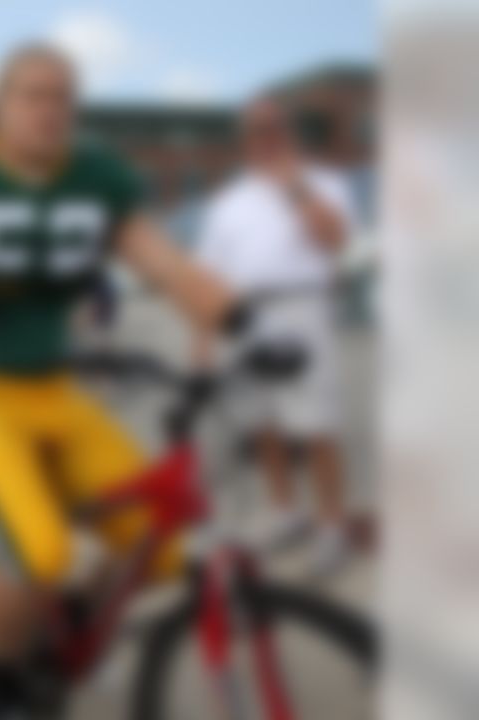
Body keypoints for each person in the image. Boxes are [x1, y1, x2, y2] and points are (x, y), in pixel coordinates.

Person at [0, 43, 243, 713]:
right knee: (40, 553)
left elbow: (164, 263)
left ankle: (58, 619)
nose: (49, 109)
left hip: (58, 389)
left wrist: (241, 317)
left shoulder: (95, 175)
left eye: (63, 97)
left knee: (159, 548)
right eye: (32, 94)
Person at [193, 98, 358, 578]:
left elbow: (335, 240)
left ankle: (332, 524)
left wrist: (295, 188)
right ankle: (287, 512)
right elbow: (207, 275)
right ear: (243, 140)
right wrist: (202, 341)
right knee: (263, 424)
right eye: (256, 131)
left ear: (290, 133)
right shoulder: (227, 201)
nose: (266, 139)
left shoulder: (325, 183)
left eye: (275, 129)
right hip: (242, 314)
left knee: (317, 425)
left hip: (300, 306)